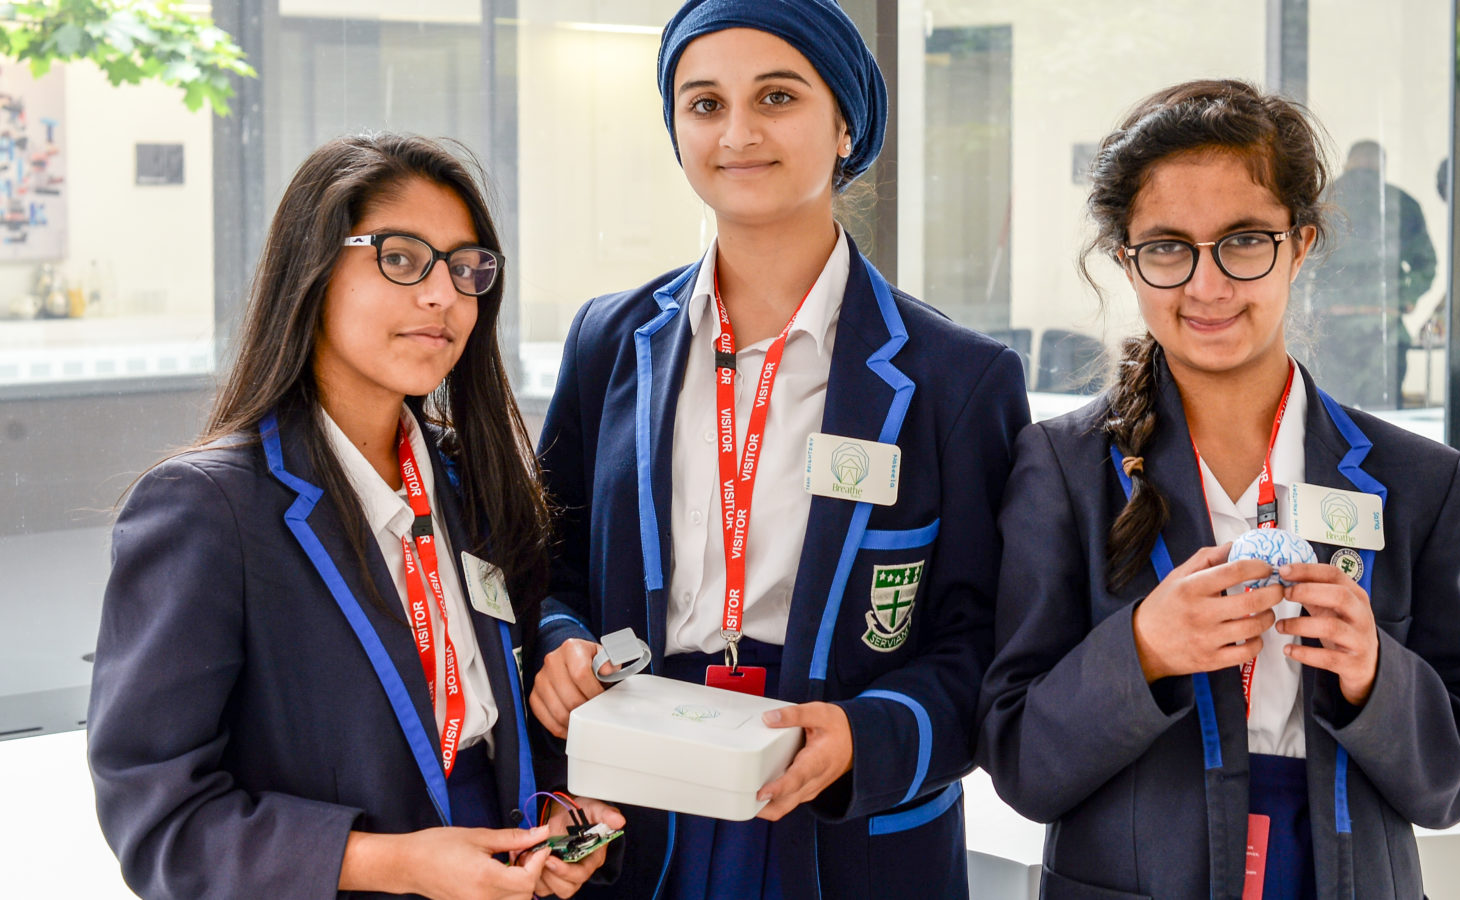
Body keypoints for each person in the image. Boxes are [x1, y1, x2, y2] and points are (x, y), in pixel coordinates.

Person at [529, 1, 1031, 897]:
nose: (739, 133)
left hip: (841, 815)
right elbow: (547, 563)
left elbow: (987, 637)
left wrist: (867, 736)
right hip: (639, 797)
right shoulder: (608, 341)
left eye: (777, 96)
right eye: (705, 104)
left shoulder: (960, 378)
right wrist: (561, 645)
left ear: (845, 125)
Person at [977, 81, 1460, 899]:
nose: (1208, 285)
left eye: (1243, 242)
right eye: (1167, 247)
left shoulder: (1423, 484)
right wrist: (1143, 650)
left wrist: (1375, 672)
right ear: (1126, 260)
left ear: (1300, 245)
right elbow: (1018, 760)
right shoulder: (1062, 469)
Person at [87, 133, 621, 900]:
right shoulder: (207, 509)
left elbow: (509, 701)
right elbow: (160, 818)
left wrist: (567, 812)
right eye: (402, 258)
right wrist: (392, 863)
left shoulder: (473, 481)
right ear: (312, 268)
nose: (443, 296)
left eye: (466, 269)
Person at [1307, 140, 1438, 409]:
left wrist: (1300, 318)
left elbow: (1297, 267)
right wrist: (1403, 296)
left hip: (1330, 331)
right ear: (1382, 167)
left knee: (1332, 425)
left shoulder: (1322, 201)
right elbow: (1426, 264)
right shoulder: (1403, 203)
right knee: (1384, 427)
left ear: (1347, 163)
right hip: (1384, 329)